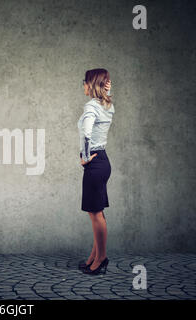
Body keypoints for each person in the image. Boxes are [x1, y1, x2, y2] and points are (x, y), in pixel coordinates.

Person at [77, 68, 114, 275]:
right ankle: (94, 256)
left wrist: (84, 156)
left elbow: (86, 132)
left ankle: (101, 258)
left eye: (84, 82)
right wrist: (108, 88)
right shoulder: (107, 105)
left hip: (95, 162)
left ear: (91, 84)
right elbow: (106, 97)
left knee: (96, 213)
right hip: (103, 162)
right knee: (96, 212)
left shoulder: (91, 106)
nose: (82, 85)